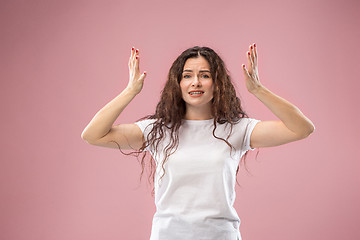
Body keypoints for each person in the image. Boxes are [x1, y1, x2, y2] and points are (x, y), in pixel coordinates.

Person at [81, 44, 315, 240]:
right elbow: (93, 135)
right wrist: (130, 91)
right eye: (187, 75)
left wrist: (258, 89)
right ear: (178, 84)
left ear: (217, 83)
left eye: (205, 75)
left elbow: (302, 129)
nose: (195, 82)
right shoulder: (158, 131)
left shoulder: (237, 129)